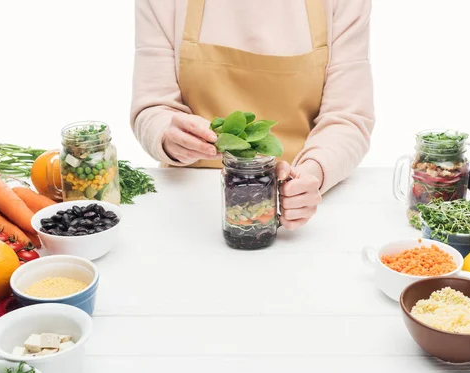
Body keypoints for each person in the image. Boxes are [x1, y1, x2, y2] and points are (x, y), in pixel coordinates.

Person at [131, 0, 374, 230]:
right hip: (187, 206)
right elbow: (152, 107)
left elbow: (347, 117)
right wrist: (169, 136)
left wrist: (310, 176)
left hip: (299, 200)